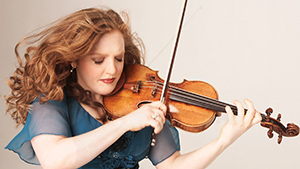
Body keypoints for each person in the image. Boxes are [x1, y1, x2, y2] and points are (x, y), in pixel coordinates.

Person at [4, 7, 262, 169]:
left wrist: (223, 141)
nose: (112, 70)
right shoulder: (51, 102)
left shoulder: (140, 102)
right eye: (98, 60)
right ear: (74, 58)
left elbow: (172, 165)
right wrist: (125, 123)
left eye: (118, 58)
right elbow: (56, 160)